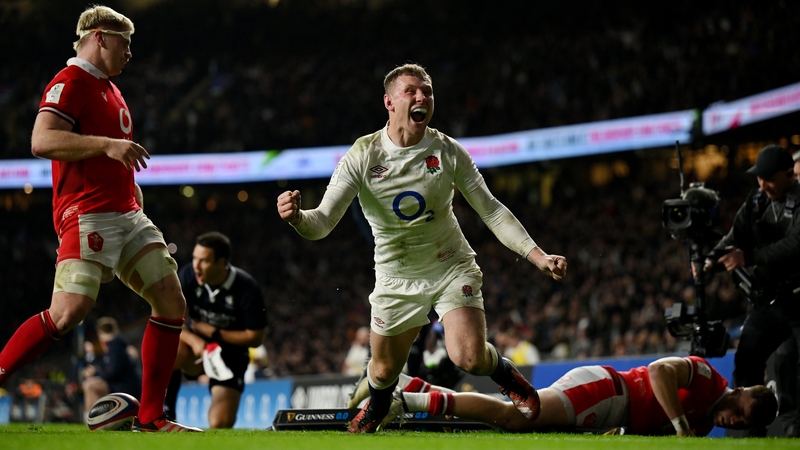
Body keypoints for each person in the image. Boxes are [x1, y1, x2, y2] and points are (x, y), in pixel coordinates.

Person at [277, 63, 567, 433]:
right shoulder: (363, 155)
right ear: (389, 102)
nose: (422, 97)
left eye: (427, 91)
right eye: (411, 91)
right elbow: (322, 222)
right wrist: (298, 218)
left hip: (450, 266)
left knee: (470, 358)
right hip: (396, 276)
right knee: (383, 371)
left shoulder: (447, 151)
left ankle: (506, 375)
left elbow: (492, 210)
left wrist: (537, 255)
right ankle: (379, 405)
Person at [0, 6, 200, 432]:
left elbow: (113, 155)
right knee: (68, 313)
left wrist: (130, 185)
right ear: (100, 37)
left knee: (171, 300)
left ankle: (152, 417)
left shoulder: (110, 89)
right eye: (124, 43)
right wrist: (108, 145)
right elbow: (41, 140)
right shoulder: (69, 81)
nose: (130, 53)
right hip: (87, 213)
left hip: (127, 212)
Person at [384, 356, 778, 436]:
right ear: (740, 391)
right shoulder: (708, 378)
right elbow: (659, 371)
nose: (735, 421)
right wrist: (678, 424)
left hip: (612, 410)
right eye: (740, 410)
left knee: (513, 417)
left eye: (742, 424)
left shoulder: (704, 425)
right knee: (516, 417)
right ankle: (407, 401)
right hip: (606, 390)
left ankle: (416, 388)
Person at [701, 144, 800, 436]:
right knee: (746, 359)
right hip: (769, 299)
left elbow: (796, 244)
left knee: (791, 361)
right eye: (759, 178)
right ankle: (745, 429)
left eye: (769, 179)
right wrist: (711, 260)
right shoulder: (756, 201)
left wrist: (750, 257)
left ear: (789, 174)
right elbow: (736, 236)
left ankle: (794, 426)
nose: (762, 184)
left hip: (799, 298)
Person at [164, 231, 267, 428]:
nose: (196, 266)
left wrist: (215, 334)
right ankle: (166, 412)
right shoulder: (187, 275)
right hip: (195, 351)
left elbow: (256, 337)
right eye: (195, 258)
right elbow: (171, 321)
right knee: (169, 347)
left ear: (222, 263)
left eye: (204, 261)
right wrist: (196, 342)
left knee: (220, 422)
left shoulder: (247, 288)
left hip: (230, 357)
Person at [81, 317, 141, 419]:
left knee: (90, 385)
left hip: (125, 388)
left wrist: (95, 373)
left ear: (99, 332)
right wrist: (96, 370)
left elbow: (112, 372)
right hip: (121, 384)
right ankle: (95, 418)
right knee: (90, 384)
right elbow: (109, 367)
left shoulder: (116, 346)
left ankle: (91, 419)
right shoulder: (116, 345)